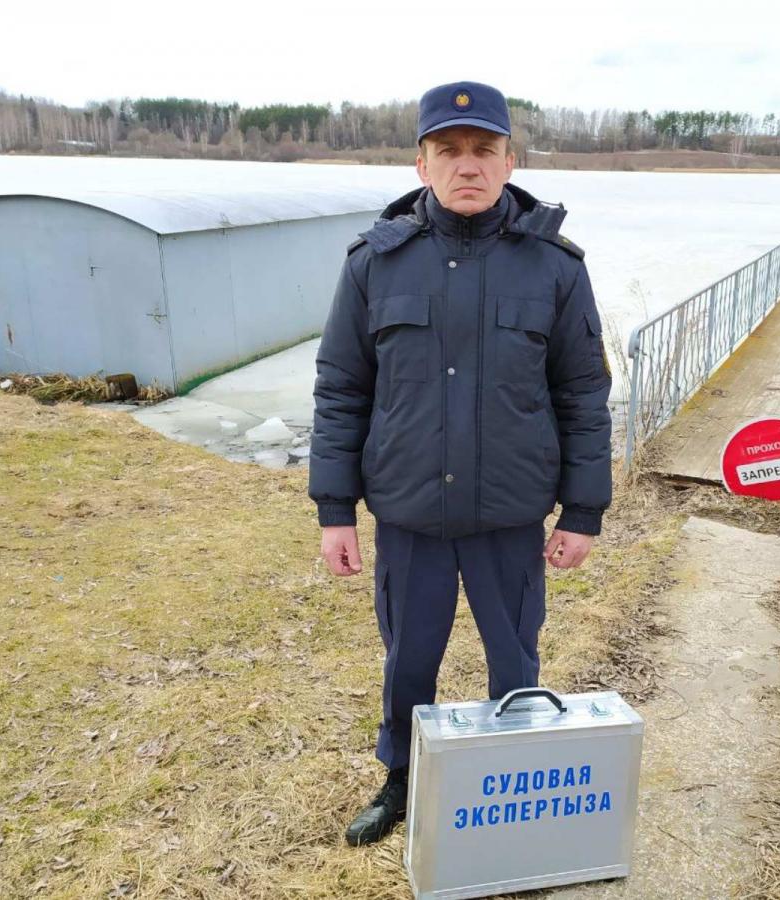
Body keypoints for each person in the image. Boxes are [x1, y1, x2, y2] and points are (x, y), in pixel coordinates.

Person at [308, 80, 613, 847]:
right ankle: (402, 777)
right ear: (422, 164)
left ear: (511, 162)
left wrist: (583, 512)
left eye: (484, 150)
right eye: (448, 150)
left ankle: (511, 785)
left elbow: (583, 394)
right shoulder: (374, 264)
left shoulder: (555, 267)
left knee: (515, 657)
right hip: (409, 512)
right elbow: (341, 390)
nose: (467, 165)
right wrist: (335, 511)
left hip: (510, 514)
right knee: (408, 659)